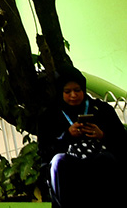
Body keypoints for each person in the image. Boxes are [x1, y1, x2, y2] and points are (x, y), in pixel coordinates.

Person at [37, 66, 126, 206]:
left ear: (83, 89)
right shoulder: (50, 116)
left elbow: (122, 142)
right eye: (67, 92)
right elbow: (45, 150)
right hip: (69, 165)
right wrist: (67, 136)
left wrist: (102, 135)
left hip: (98, 161)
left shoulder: (102, 110)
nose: (73, 95)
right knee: (59, 161)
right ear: (60, 91)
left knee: (106, 159)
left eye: (77, 90)